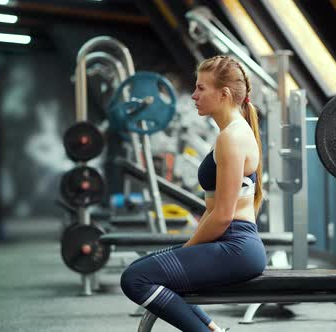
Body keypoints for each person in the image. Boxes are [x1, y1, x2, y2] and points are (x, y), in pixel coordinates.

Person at [120, 55, 266, 332]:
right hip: (231, 243)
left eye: (201, 88)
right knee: (142, 268)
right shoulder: (230, 133)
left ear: (223, 94)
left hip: (235, 246)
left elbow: (222, 215)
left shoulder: (232, 137)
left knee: (135, 279)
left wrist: (189, 249)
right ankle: (212, 328)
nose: (193, 95)